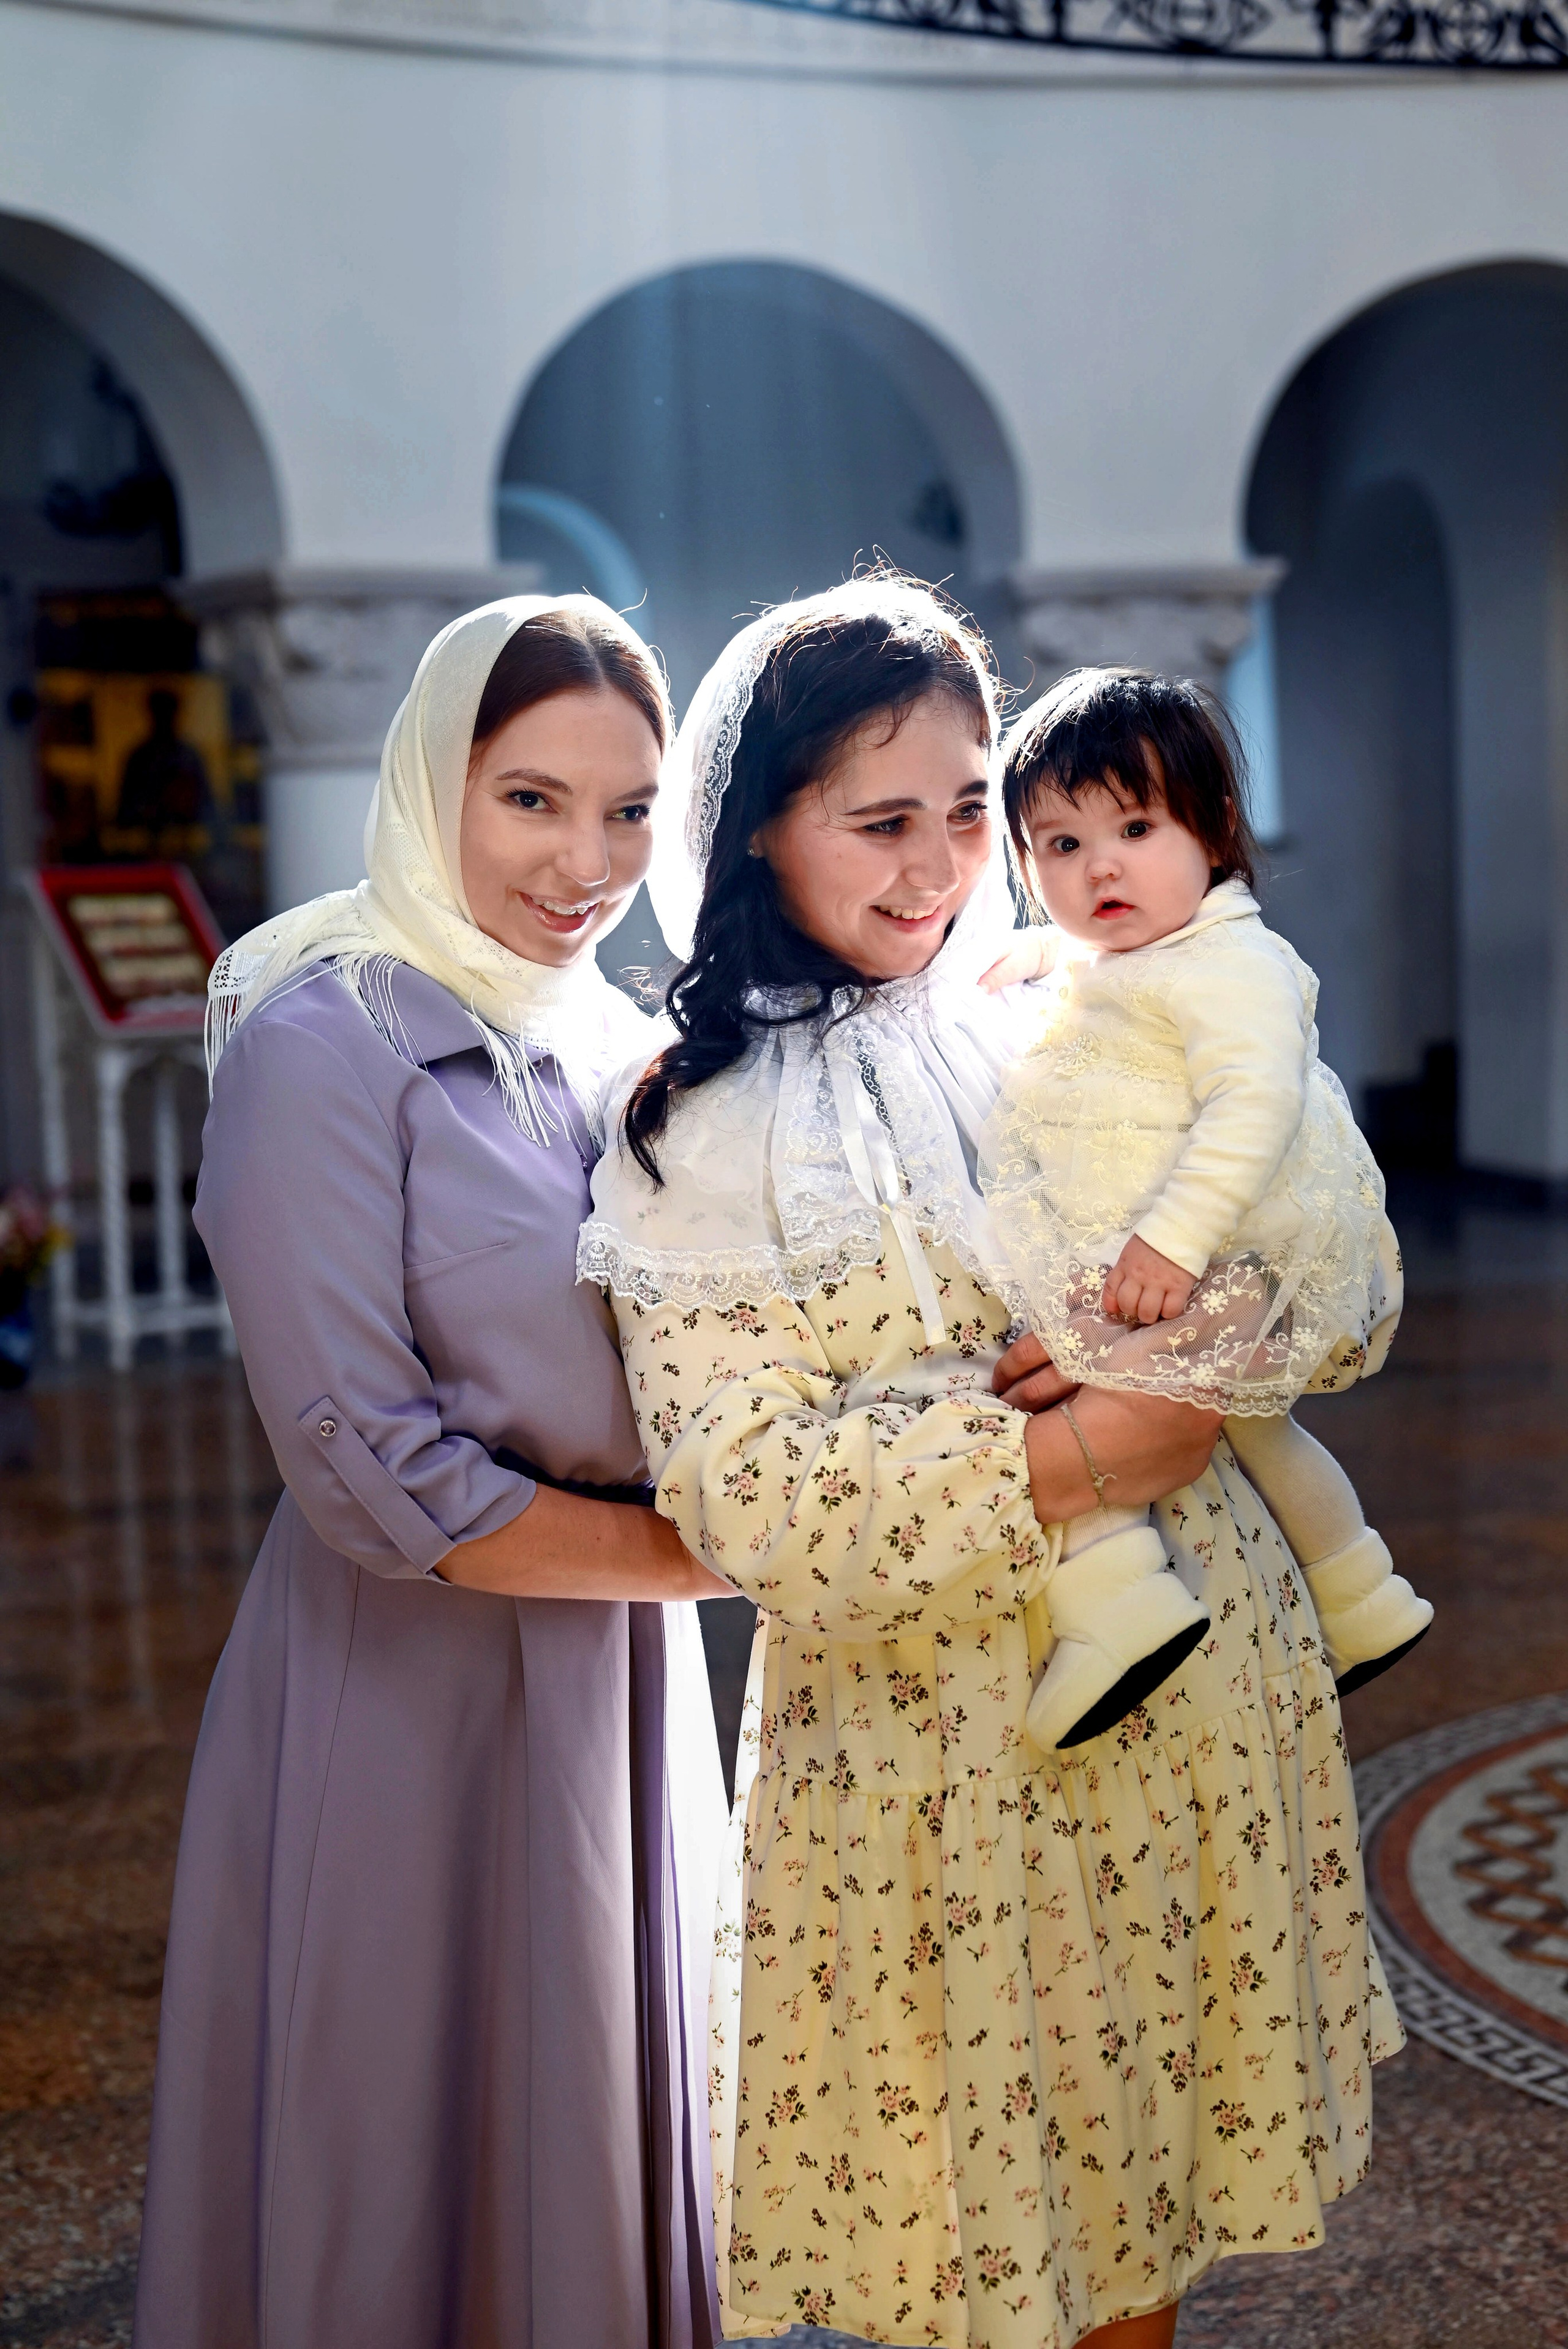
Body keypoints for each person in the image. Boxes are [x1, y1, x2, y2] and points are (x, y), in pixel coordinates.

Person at [579, 576, 1403, 2349]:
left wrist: (1201, 1352)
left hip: (1196, 1701)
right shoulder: (693, 1129)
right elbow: (750, 1500)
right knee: (987, 2254)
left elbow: (1332, 1258)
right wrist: (1093, 1443)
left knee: (1142, 2240)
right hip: (943, 1765)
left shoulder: (1067, 1005)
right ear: (758, 829)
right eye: (878, 821)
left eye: (967, 811)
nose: (940, 869)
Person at [132, 595, 732, 2349]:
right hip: (406, 1690)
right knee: (400, 2155)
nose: (584, 861)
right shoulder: (319, 1046)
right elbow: (376, 1475)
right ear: (428, 781)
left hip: (614, 1685)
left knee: (601, 2119)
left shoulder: (612, 1044)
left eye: (628, 810)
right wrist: (724, 1554)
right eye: (530, 799)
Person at [977, 669, 1432, 1751]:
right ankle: (1362, 1595)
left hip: (1217, 1244)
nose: (1101, 868)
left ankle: (1115, 1598)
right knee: (1256, 1426)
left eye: (1136, 828)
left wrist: (1172, 1241)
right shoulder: (1142, 947)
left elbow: (1255, 1102)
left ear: (1216, 828)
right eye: (1061, 846)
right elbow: (1092, 958)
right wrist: (1035, 951)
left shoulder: (1235, 965)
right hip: (1186, 1245)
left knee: (1077, 1384)